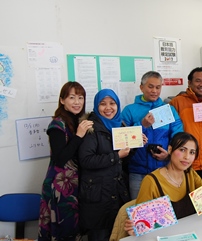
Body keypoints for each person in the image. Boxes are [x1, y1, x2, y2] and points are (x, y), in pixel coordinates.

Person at [121, 132, 202, 237]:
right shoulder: (151, 181)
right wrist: (134, 228)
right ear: (170, 150)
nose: (187, 157)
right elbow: (141, 225)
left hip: (192, 233)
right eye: (182, 150)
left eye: (192, 152)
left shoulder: (190, 174)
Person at [78, 89, 142, 241]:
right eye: (103, 104)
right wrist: (116, 156)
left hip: (116, 190)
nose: (108, 108)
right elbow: (86, 160)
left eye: (112, 103)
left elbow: (123, 160)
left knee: (119, 233)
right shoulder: (90, 128)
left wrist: (133, 147)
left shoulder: (120, 125)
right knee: (100, 234)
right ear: (96, 106)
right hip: (97, 194)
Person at [38, 82, 93, 241]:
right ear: (62, 100)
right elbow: (60, 158)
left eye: (80, 97)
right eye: (72, 97)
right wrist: (79, 135)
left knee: (75, 229)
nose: (77, 102)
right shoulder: (57, 124)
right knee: (63, 229)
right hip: (61, 187)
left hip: (77, 184)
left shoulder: (79, 121)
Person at [121, 71, 183, 199]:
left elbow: (179, 136)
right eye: (150, 86)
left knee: (165, 212)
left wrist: (169, 154)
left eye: (158, 87)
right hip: (138, 172)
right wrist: (142, 125)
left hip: (164, 169)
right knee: (139, 212)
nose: (154, 90)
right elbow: (122, 139)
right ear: (141, 87)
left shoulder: (169, 110)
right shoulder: (129, 110)